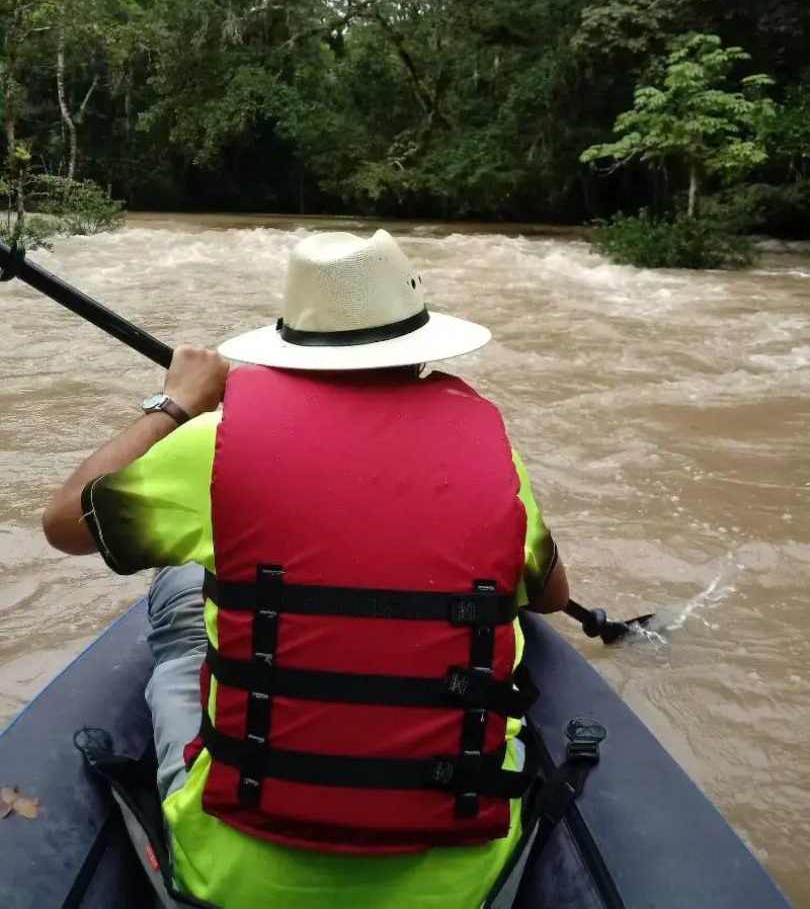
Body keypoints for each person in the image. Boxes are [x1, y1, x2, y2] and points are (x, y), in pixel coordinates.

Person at [43, 228, 569, 909]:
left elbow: (63, 522)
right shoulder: (497, 457)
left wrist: (177, 404)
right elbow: (552, 595)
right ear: (420, 347)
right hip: (458, 888)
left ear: (291, 345)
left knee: (179, 613)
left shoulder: (212, 445)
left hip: (236, 881)